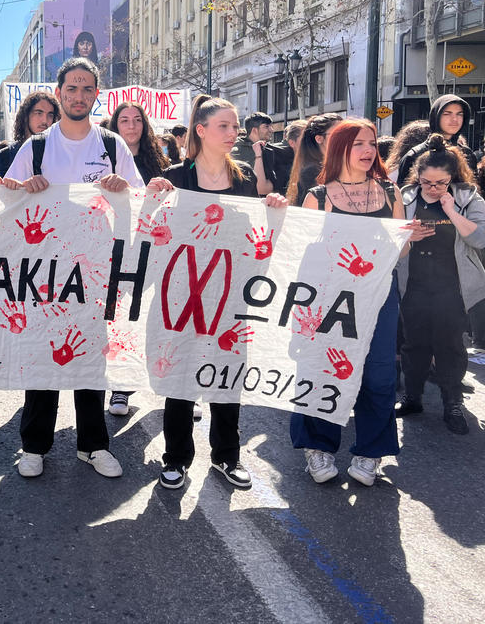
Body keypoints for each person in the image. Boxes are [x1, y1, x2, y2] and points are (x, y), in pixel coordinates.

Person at [1, 57, 144, 479]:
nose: (78, 96)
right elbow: (7, 205)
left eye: (86, 89)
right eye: (71, 89)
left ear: (96, 96)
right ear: (59, 93)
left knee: (90, 361)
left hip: (96, 274)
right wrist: (22, 189)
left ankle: (93, 444)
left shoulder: (113, 146)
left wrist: (124, 190)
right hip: (45, 274)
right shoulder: (37, 147)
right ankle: (34, 445)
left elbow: (140, 204)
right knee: (41, 357)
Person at [146, 95, 288, 490]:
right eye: (224, 126)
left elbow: (253, 234)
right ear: (202, 131)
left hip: (228, 294)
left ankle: (227, 456)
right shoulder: (175, 177)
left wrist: (272, 207)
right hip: (183, 294)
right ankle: (176, 458)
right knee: (181, 374)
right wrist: (152, 199)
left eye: (235, 125)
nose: (233, 132)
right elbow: (153, 233)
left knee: (227, 375)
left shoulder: (243, 178)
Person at [291, 119, 427, 486]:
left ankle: (371, 451)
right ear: (339, 150)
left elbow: (400, 253)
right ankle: (317, 446)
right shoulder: (317, 197)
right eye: (358, 144)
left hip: (379, 298)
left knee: (380, 373)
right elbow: (306, 255)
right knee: (324, 369)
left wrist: (406, 237)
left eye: (372, 144)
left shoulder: (390, 192)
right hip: (331, 300)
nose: (369, 151)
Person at [395, 134, 485, 434]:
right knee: (413, 343)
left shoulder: (468, 196)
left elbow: (480, 237)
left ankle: (452, 402)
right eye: (427, 183)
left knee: (450, 345)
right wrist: (407, 237)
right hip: (414, 282)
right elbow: (386, 237)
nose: (433, 189)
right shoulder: (405, 196)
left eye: (441, 183)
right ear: (417, 177)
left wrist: (451, 211)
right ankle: (412, 396)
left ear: (452, 177)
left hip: (453, 285)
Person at [105, 101, 171, 416]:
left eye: (137, 120)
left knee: (154, 317)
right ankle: (120, 388)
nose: (131, 126)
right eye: (124, 120)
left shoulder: (159, 162)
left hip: (152, 249)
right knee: (122, 320)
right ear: (114, 125)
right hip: (114, 249)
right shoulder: (103, 158)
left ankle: (171, 387)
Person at [394, 95, 478, 185]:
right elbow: (405, 194)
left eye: (459, 114)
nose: (454, 119)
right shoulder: (414, 155)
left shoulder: (467, 154)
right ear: (436, 116)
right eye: (447, 114)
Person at [0, 91, 59, 181]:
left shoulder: (58, 154)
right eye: (39, 113)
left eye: (50, 115)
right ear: (26, 116)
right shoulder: (4, 156)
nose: (45, 120)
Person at [286, 113, 341, 206]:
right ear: (319, 139)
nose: (344, 139)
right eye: (337, 134)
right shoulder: (312, 171)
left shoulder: (338, 164)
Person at [229, 111, 274, 196]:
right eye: (266, 126)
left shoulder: (266, 149)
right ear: (254, 130)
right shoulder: (237, 151)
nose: (271, 130)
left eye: (271, 126)